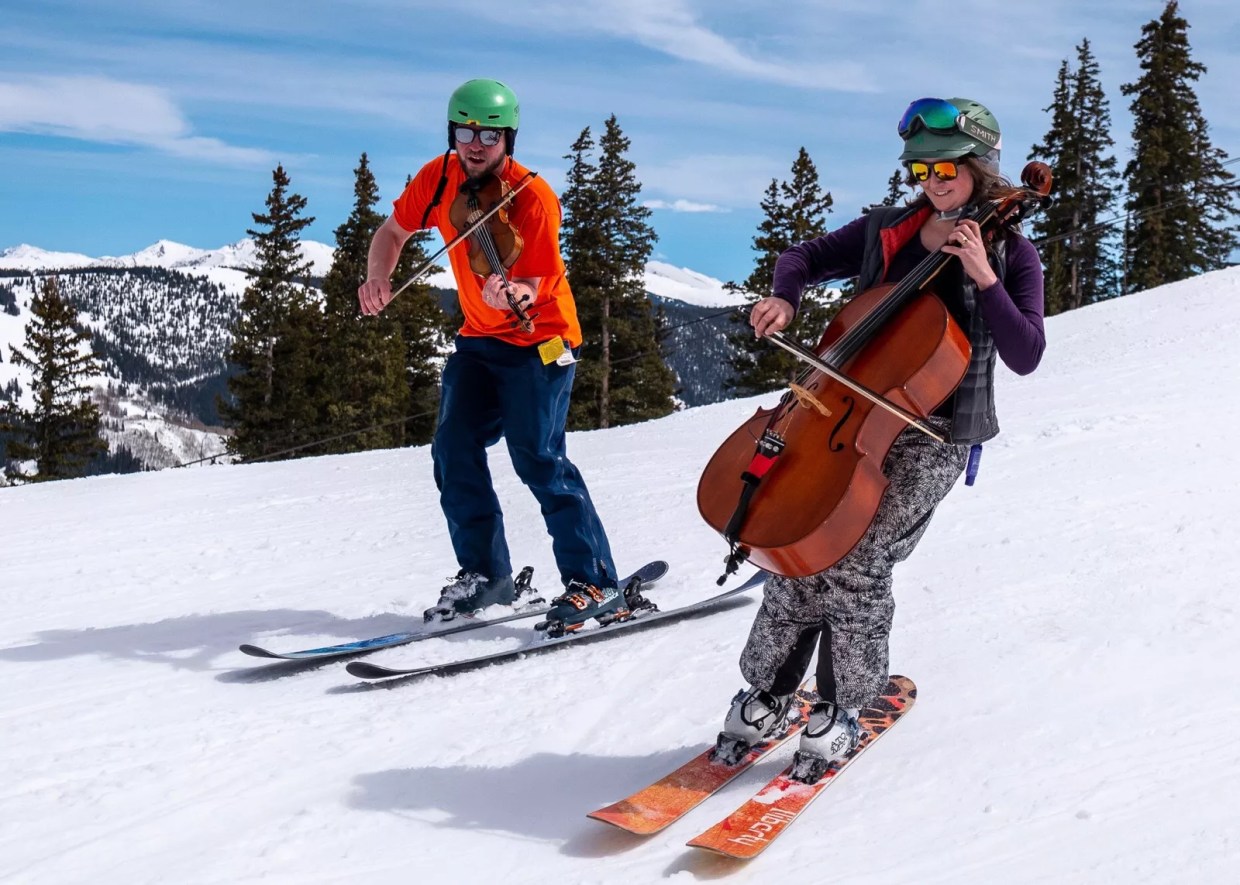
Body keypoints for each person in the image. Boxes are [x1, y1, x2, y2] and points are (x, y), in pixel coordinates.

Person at [718, 97, 1046, 777]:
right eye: (921, 167)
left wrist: (984, 276)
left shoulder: (1013, 251)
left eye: (946, 166)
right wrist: (786, 295)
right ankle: (770, 691)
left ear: (980, 168)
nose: (932, 179)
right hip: (844, 418)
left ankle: (840, 707)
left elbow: (1027, 351)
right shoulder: (887, 230)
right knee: (797, 541)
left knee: (856, 560)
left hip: (934, 433)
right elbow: (801, 256)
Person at [358, 78, 626, 632]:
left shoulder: (532, 197)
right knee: (453, 447)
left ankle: (595, 581)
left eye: (488, 135)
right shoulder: (439, 176)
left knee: (538, 457)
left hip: (541, 343)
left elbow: (534, 281)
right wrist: (377, 277)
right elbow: (392, 231)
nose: (475, 144)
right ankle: (486, 576)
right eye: (465, 132)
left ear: (509, 138)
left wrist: (513, 294)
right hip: (479, 341)